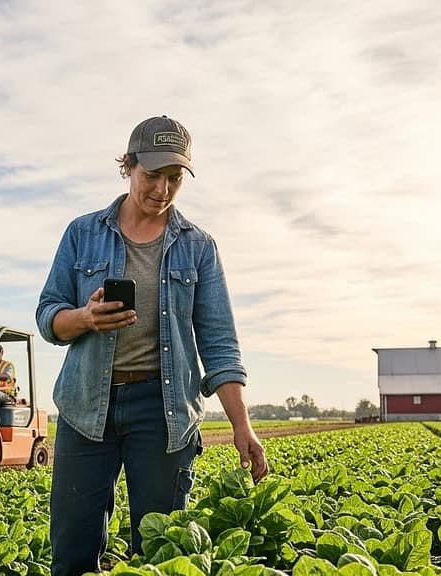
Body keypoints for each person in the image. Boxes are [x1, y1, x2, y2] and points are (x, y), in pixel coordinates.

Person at [36, 115, 269, 575]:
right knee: (73, 550)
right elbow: (48, 316)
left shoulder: (198, 247)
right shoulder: (83, 233)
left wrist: (243, 425)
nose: (162, 189)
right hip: (86, 406)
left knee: (161, 553)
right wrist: (84, 318)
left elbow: (219, 342)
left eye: (174, 178)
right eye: (152, 175)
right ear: (128, 166)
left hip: (162, 410)